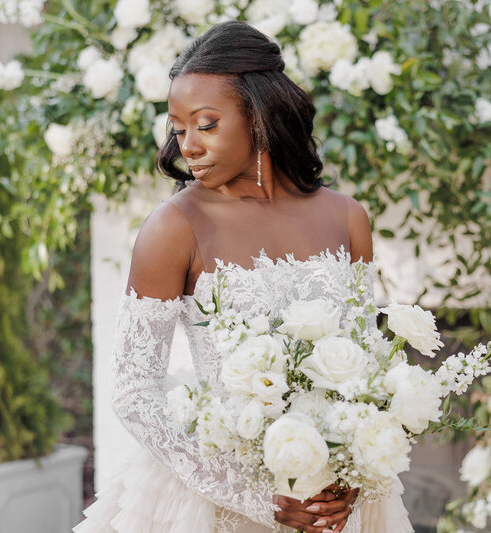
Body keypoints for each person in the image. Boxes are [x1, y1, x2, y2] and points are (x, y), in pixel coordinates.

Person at [74, 21, 413, 533]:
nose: (187, 145)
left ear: (259, 117)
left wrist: (353, 474)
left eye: (206, 124)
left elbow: (366, 370)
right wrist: (261, 499)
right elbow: (134, 392)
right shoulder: (173, 229)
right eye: (178, 128)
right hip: (218, 503)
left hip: (339, 502)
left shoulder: (347, 218)